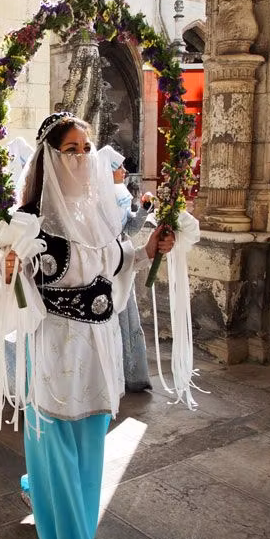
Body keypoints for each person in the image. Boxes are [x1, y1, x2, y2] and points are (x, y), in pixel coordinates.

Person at [1, 113, 175, 539]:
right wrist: (9, 271)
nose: (83, 157)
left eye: (87, 148)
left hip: (99, 347)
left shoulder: (99, 212)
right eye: (72, 149)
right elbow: (8, 291)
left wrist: (149, 250)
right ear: (50, 157)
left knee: (90, 449)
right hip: (57, 349)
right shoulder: (30, 220)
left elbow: (115, 263)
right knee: (56, 451)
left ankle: (66, 517)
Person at [103, 145, 153, 393]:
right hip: (112, 260)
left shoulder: (120, 191)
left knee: (128, 316)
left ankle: (133, 373)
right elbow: (118, 231)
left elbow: (130, 228)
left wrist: (143, 210)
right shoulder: (102, 197)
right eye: (118, 166)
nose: (124, 170)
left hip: (125, 254)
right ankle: (117, 376)